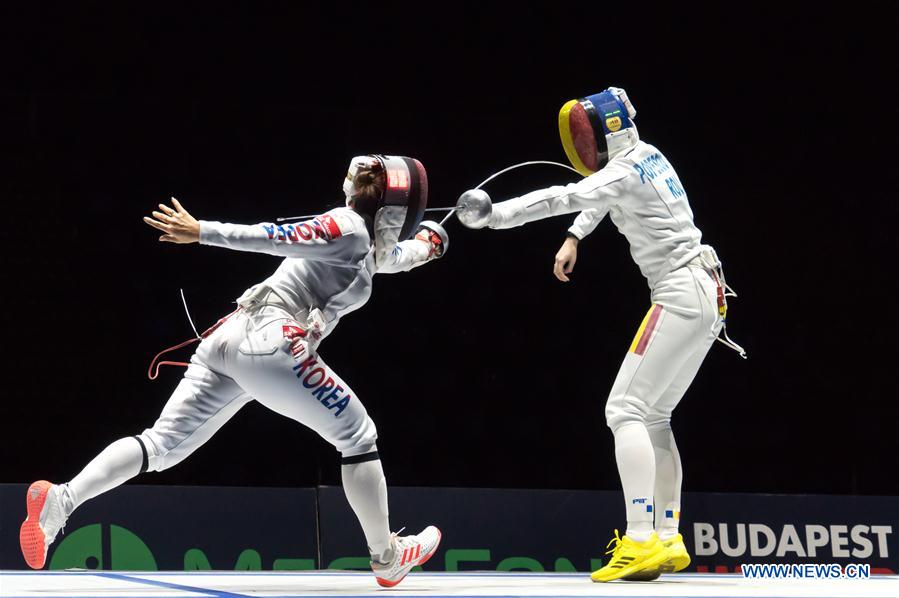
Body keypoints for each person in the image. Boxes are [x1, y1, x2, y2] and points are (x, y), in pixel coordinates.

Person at [20, 154, 447, 587]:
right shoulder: (347, 227)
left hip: (230, 340)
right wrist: (202, 231)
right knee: (358, 435)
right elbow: (274, 236)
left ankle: (62, 500)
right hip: (272, 344)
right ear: (399, 213)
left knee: (160, 445)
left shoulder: (361, 243)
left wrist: (432, 243)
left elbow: (391, 257)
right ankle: (385, 557)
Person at [455, 87, 744, 582]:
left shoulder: (624, 171)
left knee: (624, 410)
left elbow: (566, 195)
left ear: (605, 134)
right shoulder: (649, 155)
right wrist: (575, 236)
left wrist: (495, 216)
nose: (582, 147)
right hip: (707, 292)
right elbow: (605, 195)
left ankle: (639, 539)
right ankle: (667, 536)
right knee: (655, 416)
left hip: (679, 294)